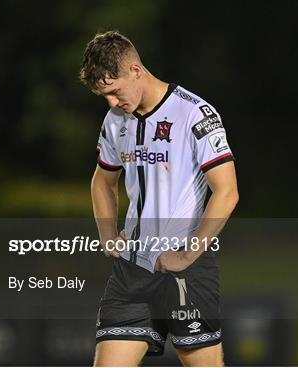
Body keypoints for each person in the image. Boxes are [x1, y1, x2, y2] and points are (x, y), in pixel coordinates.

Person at [79, 31, 238, 366]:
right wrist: (108, 235)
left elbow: (227, 191)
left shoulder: (195, 113)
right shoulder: (115, 121)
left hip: (184, 271)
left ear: (136, 70)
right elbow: (102, 181)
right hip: (131, 271)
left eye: (115, 91)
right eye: (104, 95)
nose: (111, 102)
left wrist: (187, 255)